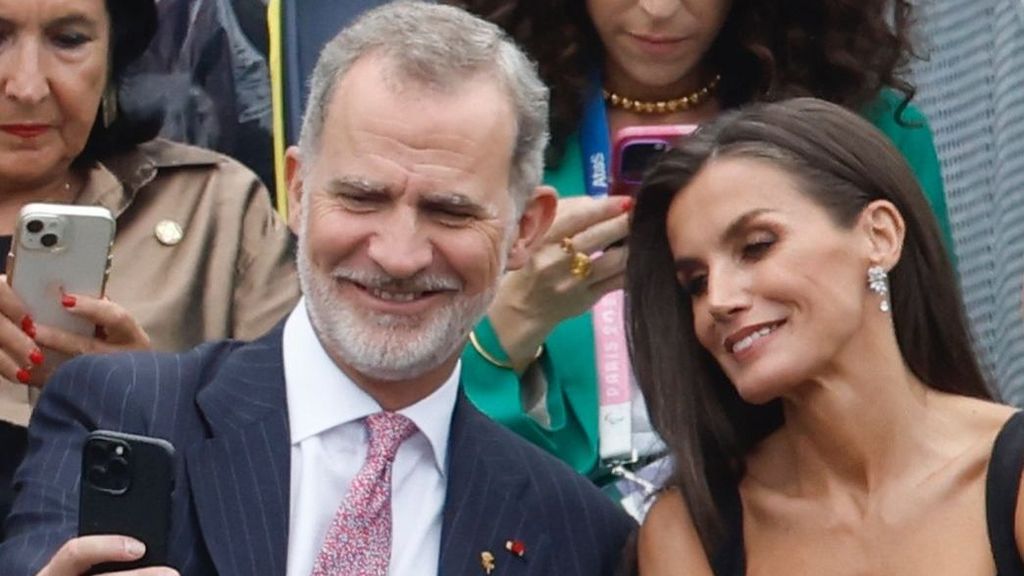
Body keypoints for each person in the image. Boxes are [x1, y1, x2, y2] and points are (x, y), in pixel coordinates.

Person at [0, 3, 636, 575]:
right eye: (362, 198)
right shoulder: (122, 414)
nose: (398, 254)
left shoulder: (582, 535)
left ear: (527, 229)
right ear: (298, 192)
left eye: (450, 211)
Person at [449, 0, 957, 501]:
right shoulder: (477, 133)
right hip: (553, 518)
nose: (659, 9)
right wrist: (513, 317)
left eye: (758, 245)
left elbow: (930, 362)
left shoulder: (864, 123)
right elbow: (411, 430)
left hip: (811, 509)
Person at [626, 97, 1020, 574]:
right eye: (696, 283)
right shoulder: (692, 530)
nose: (719, 300)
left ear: (879, 236)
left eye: (756, 247)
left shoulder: (1009, 478)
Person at [0, 0, 298, 533]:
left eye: (68, 40)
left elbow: (312, 469)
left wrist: (152, 403)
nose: (27, 86)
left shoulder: (216, 210)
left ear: (114, 52)